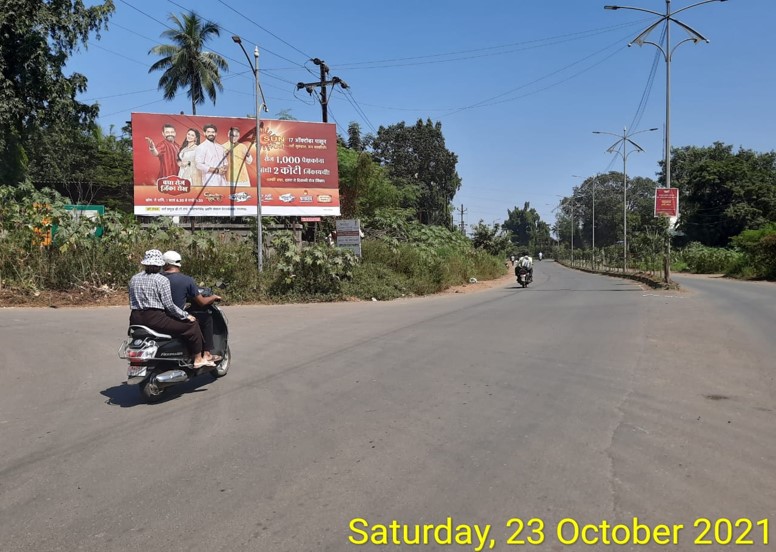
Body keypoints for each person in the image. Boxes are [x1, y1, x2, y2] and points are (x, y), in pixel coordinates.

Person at [128, 249, 213, 368]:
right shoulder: (162, 280)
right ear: (161, 264)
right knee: (192, 326)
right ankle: (198, 358)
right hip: (155, 318)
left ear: (145, 263)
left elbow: (132, 301)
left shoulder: (134, 279)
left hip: (135, 318)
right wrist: (186, 316)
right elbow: (170, 306)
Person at [161, 250, 222, 363]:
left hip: (160, 317)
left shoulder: (158, 279)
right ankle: (207, 353)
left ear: (165, 263)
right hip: (176, 318)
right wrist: (213, 297)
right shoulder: (186, 280)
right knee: (206, 318)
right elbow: (202, 302)